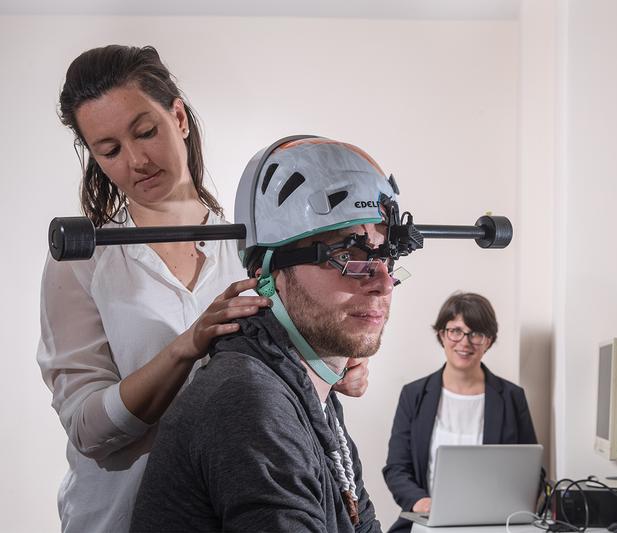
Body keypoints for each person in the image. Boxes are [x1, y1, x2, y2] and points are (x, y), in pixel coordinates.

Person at [37, 45, 368, 533]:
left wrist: (340, 364)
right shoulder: (83, 260)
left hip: (244, 507)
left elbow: (295, 379)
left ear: (178, 117)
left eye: (145, 132)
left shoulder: (258, 246)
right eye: (109, 151)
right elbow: (88, 429)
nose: (136, 160)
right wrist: (186, 348)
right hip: (117, 518)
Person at [130, 137, 401, 531]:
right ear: (268, 272)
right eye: (345, 256)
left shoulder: (311, 389)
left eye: (384, 255)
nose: (383, 283)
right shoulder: (250, 398)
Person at [382, 292, 538, 533]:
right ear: (441, 334)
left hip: (493, 526)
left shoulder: (511, 397)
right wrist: (423, 503)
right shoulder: (413, 395)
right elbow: (397, 468)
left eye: (475, 333)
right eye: (455, 331)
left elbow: (531, 472)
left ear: (489, 341)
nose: (464, 342)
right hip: (426, 522)